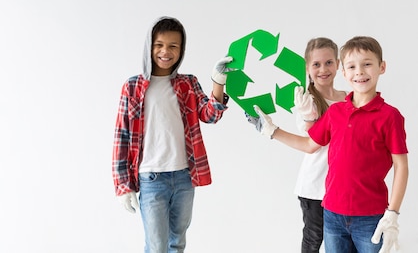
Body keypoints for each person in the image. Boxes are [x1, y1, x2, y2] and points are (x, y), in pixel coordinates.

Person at [248, 36, 408, 253]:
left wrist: (393, 213)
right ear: (345, 72)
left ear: (382, 67)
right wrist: (272, 130)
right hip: (331, 212)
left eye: (367, 64)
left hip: (369, 216)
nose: (359, 72)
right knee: (312, 239)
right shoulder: (335, 112)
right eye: (352, 66)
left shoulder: (390, 116)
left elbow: (401, 166)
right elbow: (309, 144)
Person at [112, 16, 232, 253]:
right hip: (151, 179)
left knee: (177, 244)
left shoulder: (187, 83)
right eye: (159, 45)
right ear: (150, 46)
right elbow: (122, 136)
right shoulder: (133, 87)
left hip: (184, 177)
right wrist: (122, 185)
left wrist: (218, 82)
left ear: (181, 50)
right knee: (156, 247)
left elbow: (210, 115)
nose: (165, 51)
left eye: (173, 46)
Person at [291, 38, 347, 253]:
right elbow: (310, 138)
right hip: (315, 186)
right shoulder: (307, 101)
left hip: (341, 186)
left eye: (329, 62)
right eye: (316, 64)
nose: (323, 69)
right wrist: (307, 115)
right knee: (314, 237)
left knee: (341, 240)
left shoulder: (348, 99)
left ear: (338, 63)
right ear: (307, 67)